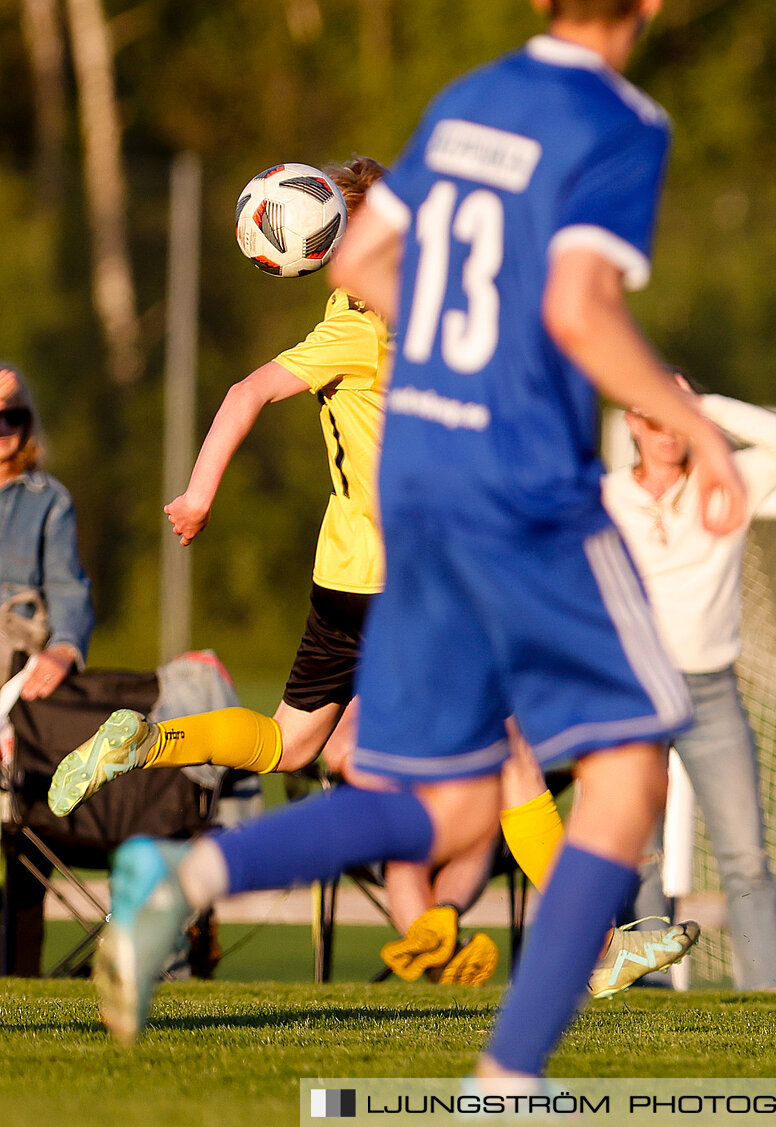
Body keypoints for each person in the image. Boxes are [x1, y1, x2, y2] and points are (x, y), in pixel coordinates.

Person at [93, 0, 747, 1089]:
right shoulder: (621, 121)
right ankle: (510, 1081)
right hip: (521, 483)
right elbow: (583, 311)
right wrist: (693, 427)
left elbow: (375, 263)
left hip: (421, 493)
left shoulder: (466, 102)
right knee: (633, 761)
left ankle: (187, 867)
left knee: (446, 797)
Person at [52, 156, 499, 987]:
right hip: (417, 578)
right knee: (492, 749)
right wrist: (199, 490)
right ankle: (578, 937)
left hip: (346, 574)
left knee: (293, 746)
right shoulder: (372, 327)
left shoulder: (364, 316)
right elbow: (246, 390)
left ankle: (146, 741)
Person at [497, 379, 776, 995]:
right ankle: (643, 988)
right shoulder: (607, 496)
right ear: (632, 424)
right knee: (629, 847)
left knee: (745, 855)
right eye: (654, 418)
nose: (667, 432)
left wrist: (700, 407)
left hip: (711, 692)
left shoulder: (728, 481)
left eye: (676, 421)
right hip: (629, 692)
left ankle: (769, 992)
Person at [0, 365, 93, 700]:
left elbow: (66, 586)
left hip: (13, 662)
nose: (4, 427)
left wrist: (65, 648)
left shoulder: (50, 500)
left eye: (14, 416)